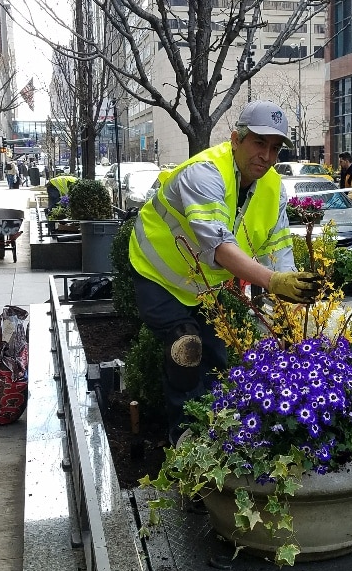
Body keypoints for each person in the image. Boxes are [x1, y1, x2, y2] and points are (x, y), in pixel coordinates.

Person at [129, 99, 321, 444]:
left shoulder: (273, 188)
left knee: (217, 360)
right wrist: (274, 282)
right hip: (158, 274)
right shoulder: (205, 173)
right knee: (185, 348)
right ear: (236, 139)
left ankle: (216, 436)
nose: (267, 155)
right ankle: (185, 442)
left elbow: (278, 249)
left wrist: (290, 311)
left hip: (204, 286)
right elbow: (219, 246)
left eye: (275, 148)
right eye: (259, 143)